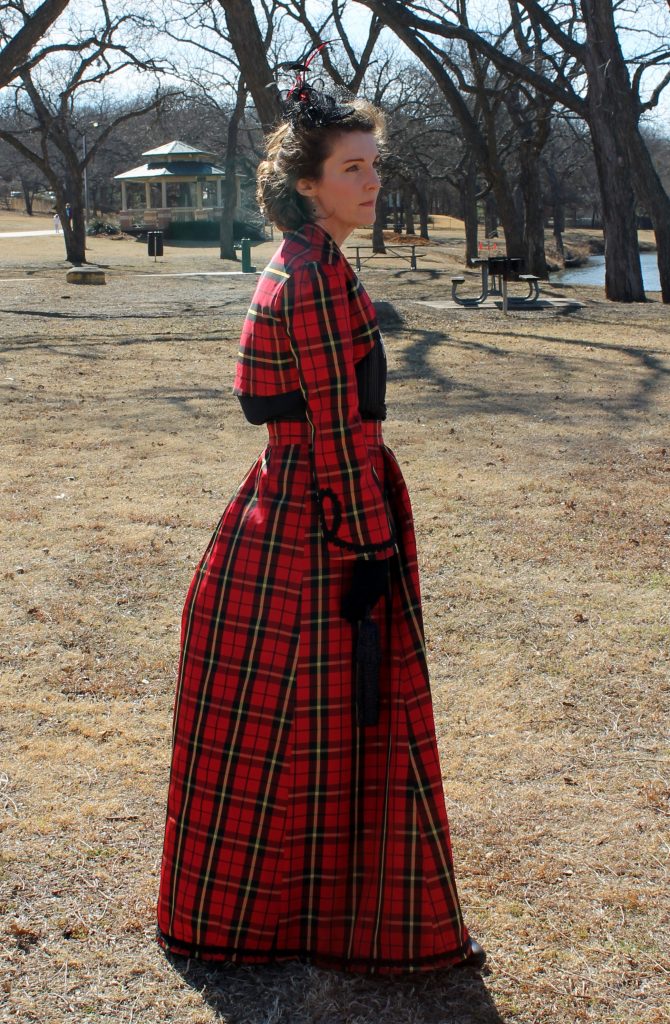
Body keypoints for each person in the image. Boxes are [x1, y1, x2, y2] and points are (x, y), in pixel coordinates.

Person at [156, 58, 484, 976]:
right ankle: (336, 921)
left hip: (290, 509)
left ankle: (278, 914)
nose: (372, 181)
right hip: (317, 517)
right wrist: (368, 545)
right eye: (353, 168)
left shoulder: (304, 264)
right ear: (307, 185)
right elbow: (337, 427)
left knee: (292, 719)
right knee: (341, 717)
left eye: (376, 165)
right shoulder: (315, 279)